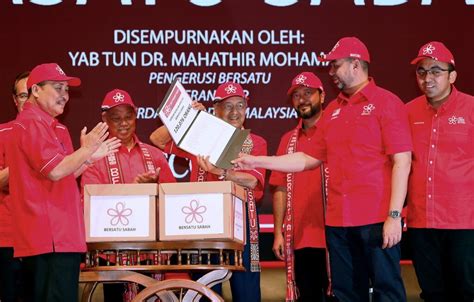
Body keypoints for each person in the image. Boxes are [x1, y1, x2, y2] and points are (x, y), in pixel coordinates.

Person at [233, 37, 413, 302]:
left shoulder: (387, 103)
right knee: (346, 293)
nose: (331, 72)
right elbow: (307, 158)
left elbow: (402, 161)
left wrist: (394, 215)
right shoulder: (333, 111)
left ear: (355, 65)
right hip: (338, 222)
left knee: (387, 291)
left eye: (335, 65)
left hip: (376, 219)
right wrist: (257, 162)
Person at [6, 63, 120, 302]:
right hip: (48, 239)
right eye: (58, 88)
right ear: (35, 90)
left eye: (66, 90)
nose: (65, 96)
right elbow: (56, 171)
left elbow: (64, 174)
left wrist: (88, 159)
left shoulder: (54, 126)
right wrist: (87, 149)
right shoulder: (31, 123)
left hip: (60, 237)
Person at [150, 82, 267, 302]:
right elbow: (157, 139)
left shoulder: (255, 142)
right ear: (216, 110)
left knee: (247, 293)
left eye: (240, 105)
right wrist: (188, 116)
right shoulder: (200, 137)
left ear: (246, 109)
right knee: (205, 292)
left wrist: (222, 172)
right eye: (228, 106)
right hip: (204, 221)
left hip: (242, 223)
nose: (235, 112)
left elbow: (252, 182)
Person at [81, 88, 177, 302]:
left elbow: (174, 201)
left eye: (128, 117)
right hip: (111, 254)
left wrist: (155, 190)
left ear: (136, 116)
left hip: (154, 253)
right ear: (104, 120)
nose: (123, 123)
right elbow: (90, 206)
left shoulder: (155, 155)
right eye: (116, 118)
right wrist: (135, 192)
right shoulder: (94, 159)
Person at [405, 41, 474, 302]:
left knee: (466, 291)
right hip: (421, 221)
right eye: (422, 72)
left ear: (452, 75)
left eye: (435, 71)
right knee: (432, 293)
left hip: (464, 221)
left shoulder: (471, 108)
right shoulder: (407, 111)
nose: (427, 78)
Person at [269, 72, 332, 302]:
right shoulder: (288, 140)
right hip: (301, 238)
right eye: (297, 95)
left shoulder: (335, 132)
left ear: (322, 96)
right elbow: (279, 188)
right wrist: (277, 232)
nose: (302, 99)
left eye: (308, 93)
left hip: (336, 235)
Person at [0, 71, 29, 302]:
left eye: (32, 95)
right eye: (22, 95)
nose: (28, 101)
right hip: (8, 239)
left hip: (44, 240)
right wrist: (22, 163)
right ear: (14, 100)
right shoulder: (2, 133)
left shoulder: (57, 133)